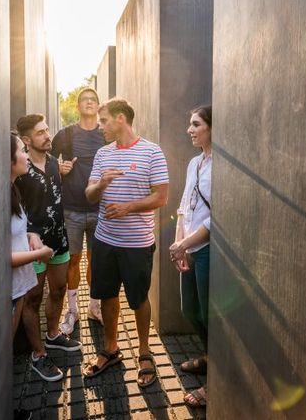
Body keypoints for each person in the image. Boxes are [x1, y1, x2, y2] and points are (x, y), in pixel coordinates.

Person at [82, 98, 169, 388]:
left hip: (138, 244)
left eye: (104, 120)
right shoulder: (102, 154)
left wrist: (127, 207)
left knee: (139, 298)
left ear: (121, 118)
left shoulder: (152, 152)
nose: (101, 127)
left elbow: (161, 197)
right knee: (107, 296)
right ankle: (110, 348)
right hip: (104, 241)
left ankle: (144, 352)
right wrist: (101, 184)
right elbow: (89, 195)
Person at [15, 114, 81, 383]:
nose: (47, 135)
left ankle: (53, 335)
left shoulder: (54, 162)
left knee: (59, 289)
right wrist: (29, 233)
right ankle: (38, 354)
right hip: (32, 245)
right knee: (33, 298)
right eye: (40, 133)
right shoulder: (20, 168)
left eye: (47, 130)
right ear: (27, 140)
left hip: (58, 238)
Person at [51, 87, 107, 334]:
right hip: (72, 209)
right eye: (84, 100)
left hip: (99, 209)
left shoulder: (106, 134)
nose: (89, 102)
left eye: (93, 99)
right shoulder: (65, 135)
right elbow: (46, 164)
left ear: (98, 105)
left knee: (96, 260)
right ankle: (72, 309)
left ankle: (94, 307)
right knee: (73, 260)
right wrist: (59, 169)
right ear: (78, 106)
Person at [169, 105, 212, 408]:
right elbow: (185, 205)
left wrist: (186, 242)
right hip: (188, 246)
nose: (189, 129)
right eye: (190, 124)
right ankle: (209, 356)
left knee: (210, 316)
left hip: (207, 249)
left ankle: (215, 383)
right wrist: (178, 243)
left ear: (212, 127)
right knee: (191, 311)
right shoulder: (194, 162)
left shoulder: (221, 165)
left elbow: (215, 219)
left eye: (196, 124)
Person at [9, 132, 53, 420]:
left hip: (19, 288)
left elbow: (15, 234)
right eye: (21, 151)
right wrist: (41, 254)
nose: (26, 155)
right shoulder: (0, 194)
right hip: (11, 291)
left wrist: (30, 236)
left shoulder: (13, 189)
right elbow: (4, 256)